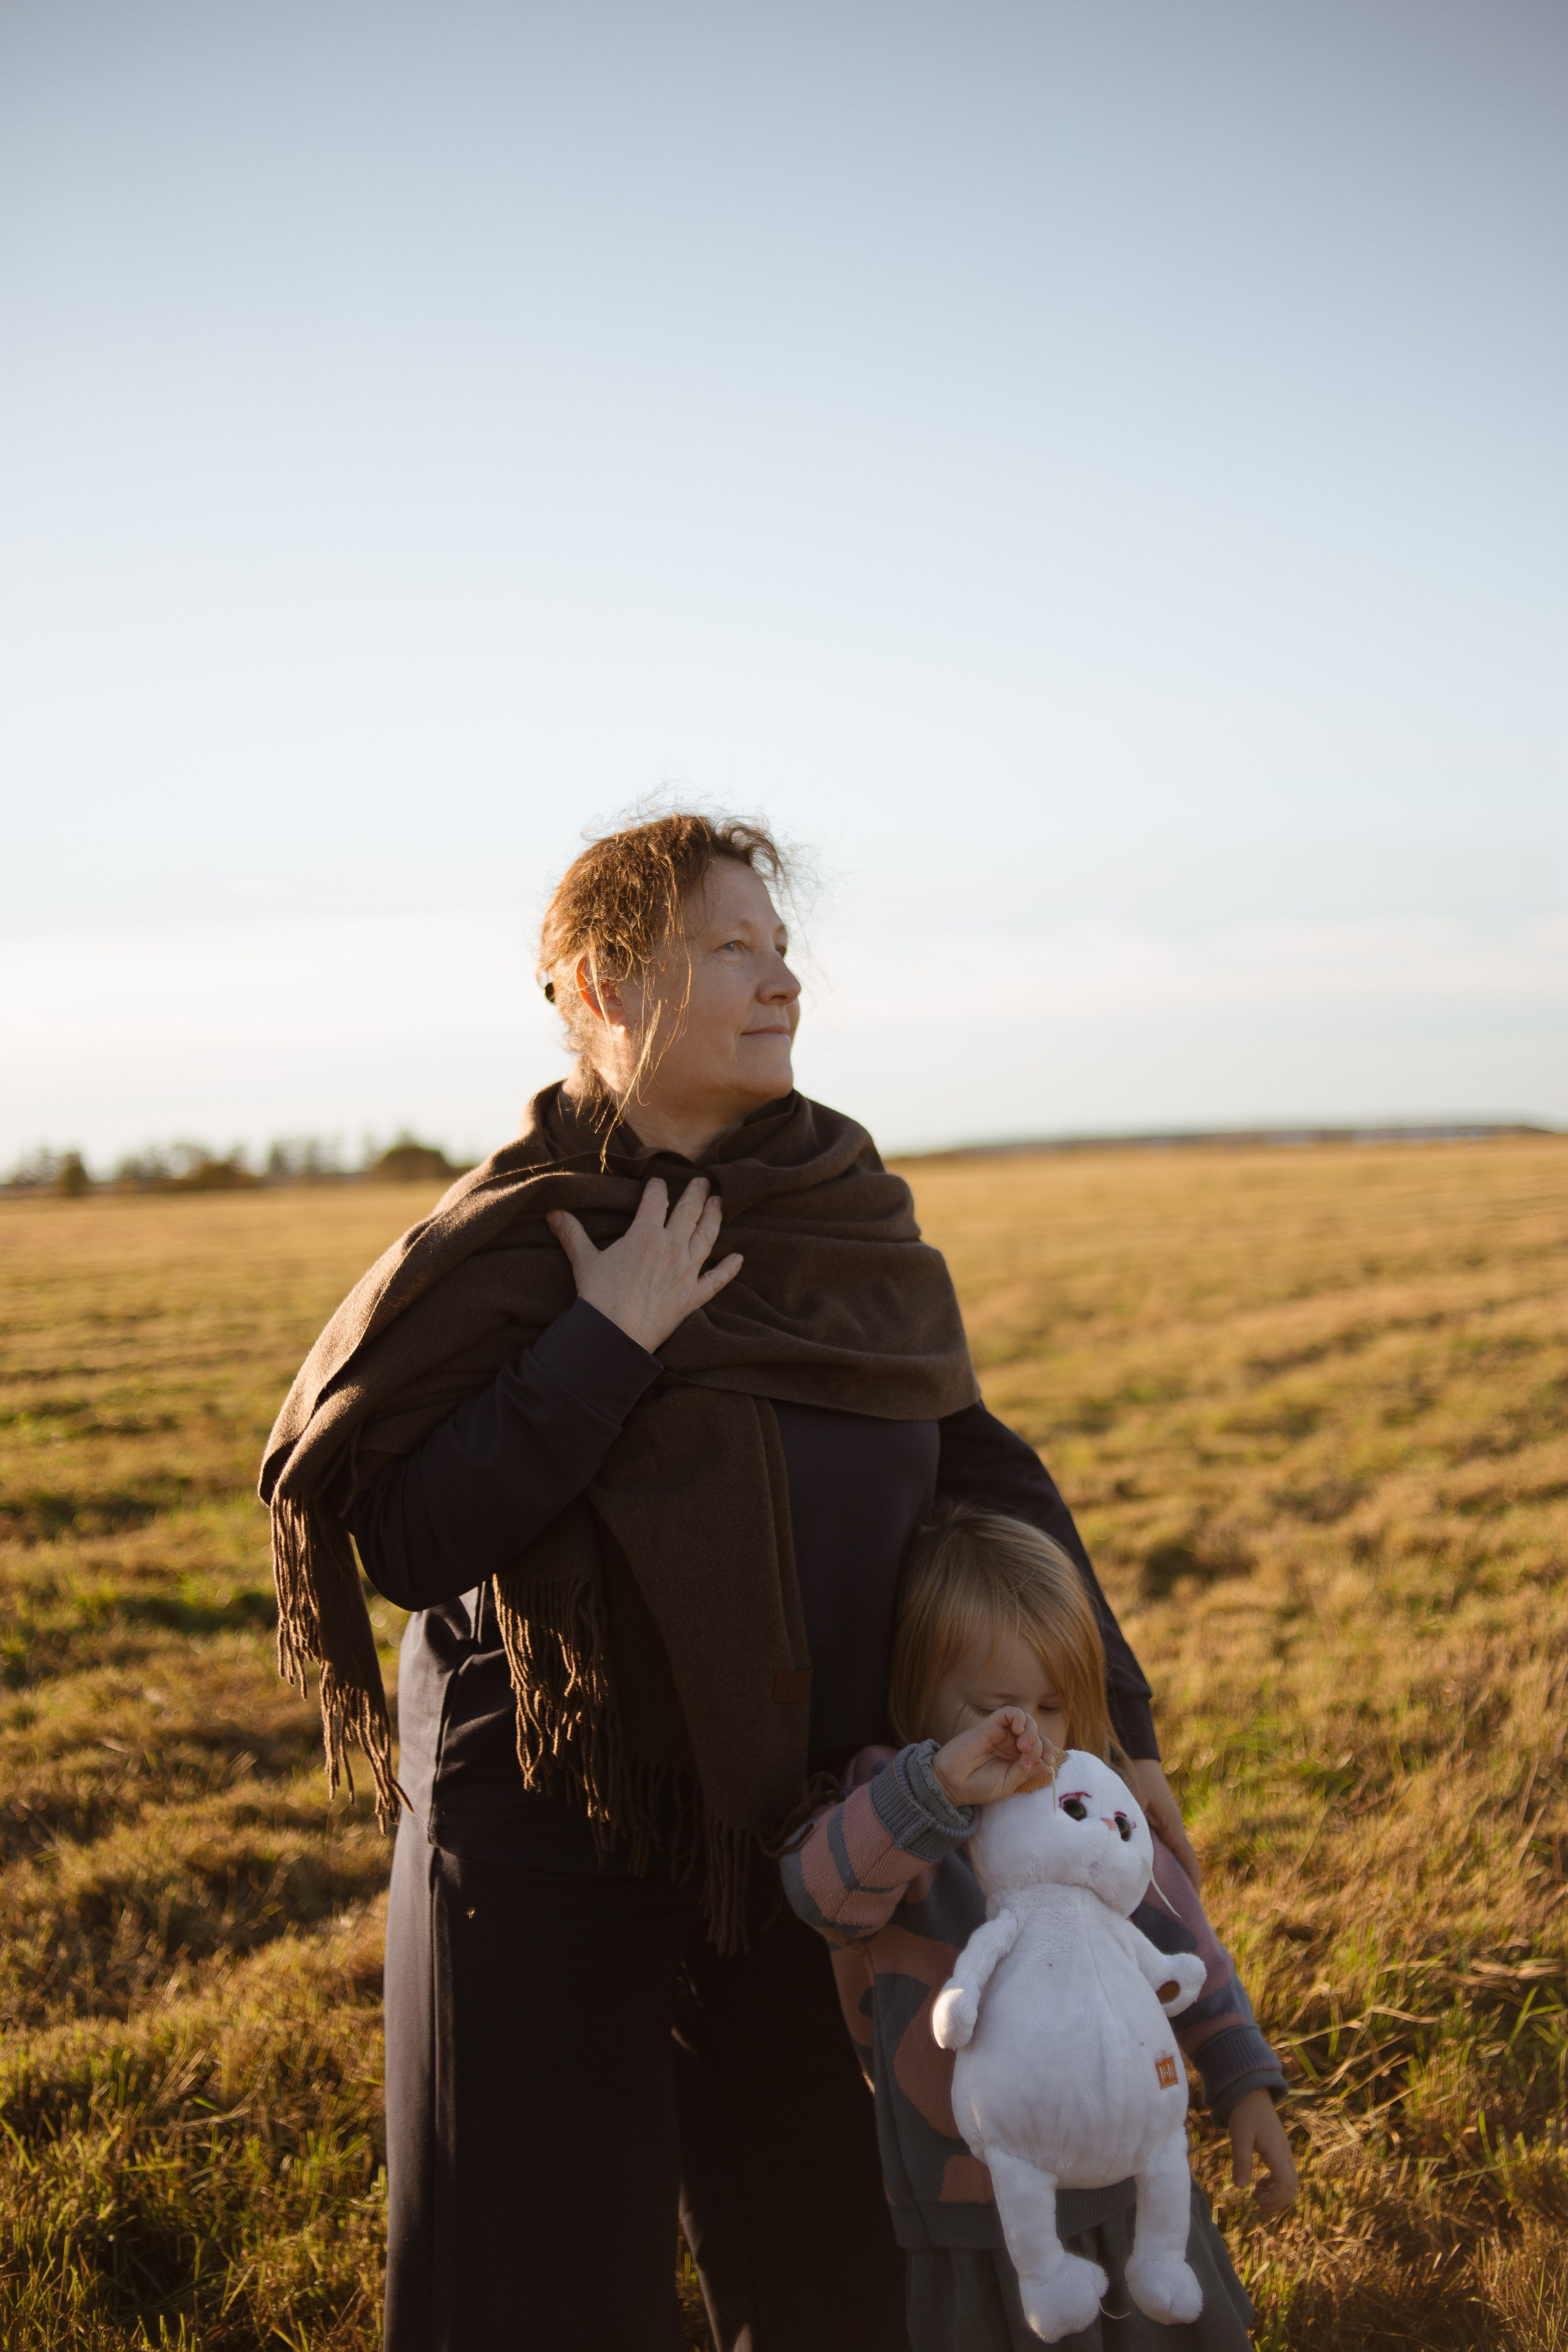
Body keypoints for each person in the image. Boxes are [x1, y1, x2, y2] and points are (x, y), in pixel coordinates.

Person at [258, 810, 1199, 2352]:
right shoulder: (512, 1238)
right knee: (542, 2273)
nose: (780, 982)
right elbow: (413, 1540)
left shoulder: (844, 1206)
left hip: (811, 1813)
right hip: (545, 1818)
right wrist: (602, 1341)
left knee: (832, 2244)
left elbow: (980, 1465)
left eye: (781, 948)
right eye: (729, 949)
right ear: (598, 989)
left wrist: (1130, 1730)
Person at [781, 1501, 1297, 2352]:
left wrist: (1240, 2077)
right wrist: (936, 1792)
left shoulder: (1089, 1802)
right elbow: (821, 1893)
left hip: (1128, 2169)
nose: (1031, 1738)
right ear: (917, 1696)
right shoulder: (892, 1807)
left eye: (1053, 1709)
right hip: (976, 2204)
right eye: (997, 1707)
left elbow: (1181, 1940)